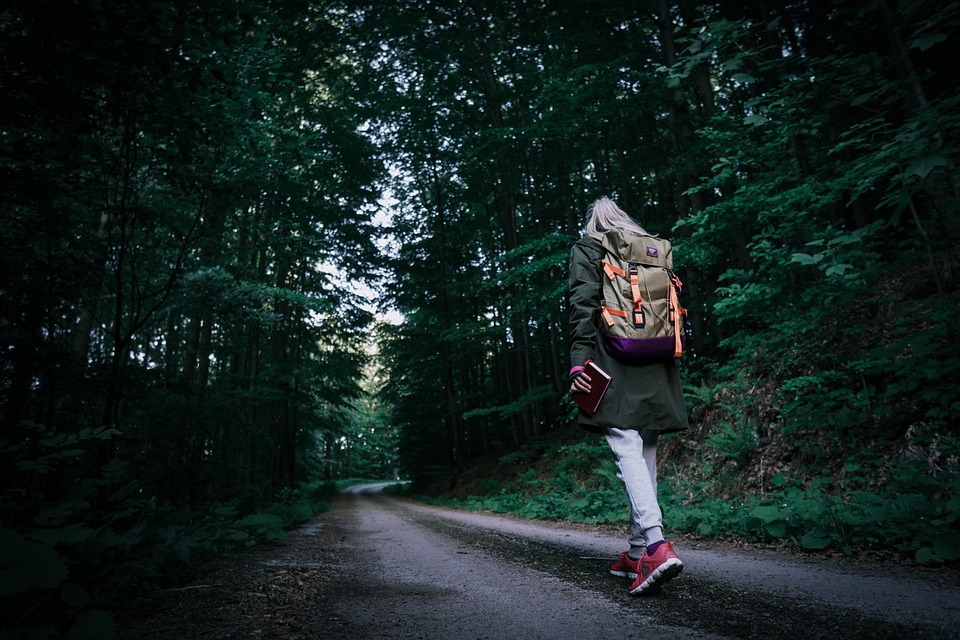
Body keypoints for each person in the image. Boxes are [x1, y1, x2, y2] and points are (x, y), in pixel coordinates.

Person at [568, 196, 689, 595]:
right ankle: (638, 553)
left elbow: (582, 305)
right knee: (646, 450)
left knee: (624, 446)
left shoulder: (589, 248)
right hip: (657, 357)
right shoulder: (653, 252)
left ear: (594, 224)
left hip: (612, 357)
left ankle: (655, 544)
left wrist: (578, 362)